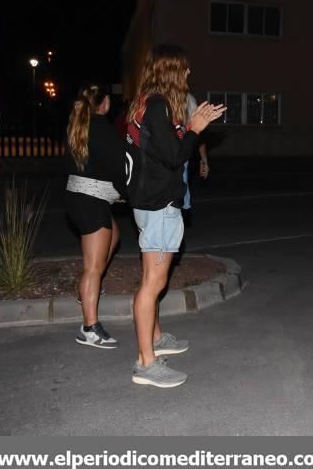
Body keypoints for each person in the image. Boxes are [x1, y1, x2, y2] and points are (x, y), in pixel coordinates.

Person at [125, 45, 225, 388]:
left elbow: (165, 148)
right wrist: (195, 129)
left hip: (148, 201)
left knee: (153, 279)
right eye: (183, 70)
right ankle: (145, 363)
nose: (187, 75)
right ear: (170, 71)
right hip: (157, 205)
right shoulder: (157, 105)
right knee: (153, 283)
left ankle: (153, 339)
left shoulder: (148, 103)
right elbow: (174, 157)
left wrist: (191, 126)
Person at [65, 83, 125, 349]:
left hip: (79, 198)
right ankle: (89, 328)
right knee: (92, 266)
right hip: (91, 202)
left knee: (114, 235)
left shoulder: (78, 125)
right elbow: (118, 166)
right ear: (105, 103)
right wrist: (127, 192)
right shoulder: (100, 126)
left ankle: (90, 288)